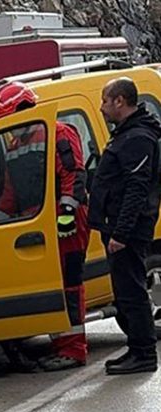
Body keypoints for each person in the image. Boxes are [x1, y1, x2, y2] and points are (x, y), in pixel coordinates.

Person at [0, 81, 92, 372]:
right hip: (38, 224)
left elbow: (73, 173)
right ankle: (61, 344)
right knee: (51, 286)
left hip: (65, 222)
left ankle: (74, 350)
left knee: (70, 285)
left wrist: (67, 215)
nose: (8, 124)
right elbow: (11, 192)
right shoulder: (15, 144)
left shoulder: (58, 132)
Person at [90, 77, 161, 375]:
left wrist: (121, 232)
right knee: (124, 292)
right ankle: (135, 348)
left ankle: (144, 354)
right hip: (119, 227)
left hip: (128, 230)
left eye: (106, 101)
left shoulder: (138, 138)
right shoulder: (127, 134)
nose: (102, 107)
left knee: (132, 291)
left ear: (120, 101)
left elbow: (136, 188)